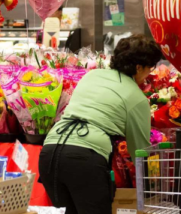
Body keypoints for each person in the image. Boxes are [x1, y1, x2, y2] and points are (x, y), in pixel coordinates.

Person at [38, 35, 162, 214]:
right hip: (84, 159)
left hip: (49, 152)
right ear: (138, 67)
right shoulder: (136, 98)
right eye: (150, 68)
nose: (149, 73)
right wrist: (155, 184)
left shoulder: (92, 76)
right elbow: (140, 152)